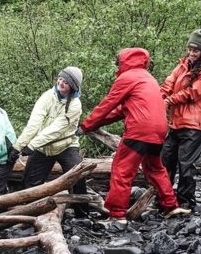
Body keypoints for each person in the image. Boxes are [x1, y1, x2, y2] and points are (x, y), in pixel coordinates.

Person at [77, 48, 191, 226]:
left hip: (139, 130)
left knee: (122, 169)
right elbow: (120, 110)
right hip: (159, 130)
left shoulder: (127, 78)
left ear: (125, 61)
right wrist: (93, 124)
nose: (117, 65)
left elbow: (107, 104)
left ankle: (116, 215)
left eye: (119, 62)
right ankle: (171, 205)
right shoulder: (148, 78)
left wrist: (85, 126)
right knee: (155, 168)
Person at [11, 67, 89, 218]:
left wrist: (32, 145)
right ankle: (30, 214)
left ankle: (82, 215)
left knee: (78, 176)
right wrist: (18, 147)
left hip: (66, 145)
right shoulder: (47, 96)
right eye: (60, 79)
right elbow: (34, 123)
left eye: (66, 82)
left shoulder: (75, 105)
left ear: (72, 86)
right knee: (29, 181)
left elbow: (56, 129)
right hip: (43, 147)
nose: (61, 83)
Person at [159, 29, 201, 210]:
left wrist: (169, 100)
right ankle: (164, 200)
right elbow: (167, 85)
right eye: (190, 49)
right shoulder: (181, 66)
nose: (192, 53)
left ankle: (186, 201)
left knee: (186, 164)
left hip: (194, 125)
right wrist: (157, 100)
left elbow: (193, 93)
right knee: (165, 160)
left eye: (196, 50)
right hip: (176, 123)